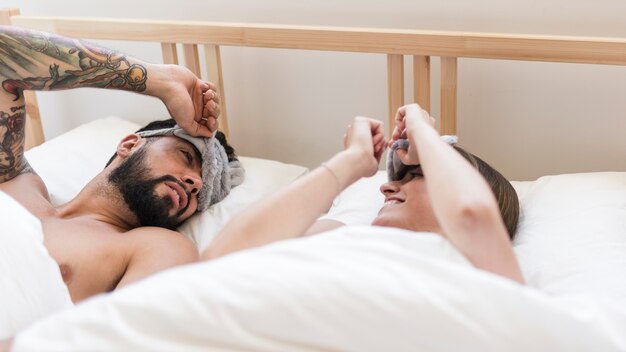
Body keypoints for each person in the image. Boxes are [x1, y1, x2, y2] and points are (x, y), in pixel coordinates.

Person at [0, 26, 242, 303]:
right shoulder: (14, 181)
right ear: (130, 144)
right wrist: (156, 80)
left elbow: (122, 335)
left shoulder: (155, 248)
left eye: (205, 194)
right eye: (186, 156)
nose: (196, 183)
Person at [202, 103, 524, 284]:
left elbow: (472, 214)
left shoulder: (483, 271)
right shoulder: (340, 236)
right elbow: (217, 263)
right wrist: (352, 160)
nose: (386, 186)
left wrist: (424, 133)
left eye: (416, 174)